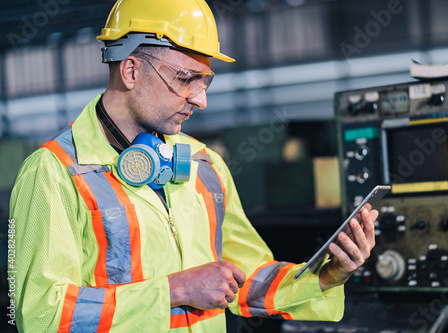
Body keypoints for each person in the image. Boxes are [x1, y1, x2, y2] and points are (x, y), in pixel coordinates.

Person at [9, 0, 379, 332]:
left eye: (205, 81)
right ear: (131, 71)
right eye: (185, 78)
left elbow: (244, 279)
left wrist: (325, 276)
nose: (200, 100)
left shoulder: (205, 165)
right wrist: (176, 290)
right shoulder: (54, 172)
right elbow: (41, 314)